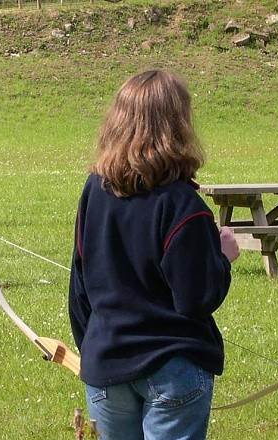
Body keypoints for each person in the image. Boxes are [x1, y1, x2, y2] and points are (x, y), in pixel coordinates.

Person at [67, 70, 240, 440]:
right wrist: (223, 257)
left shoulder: (95, 191)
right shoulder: (183, 205)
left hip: (106, 363)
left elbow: (79, 285)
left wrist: (95, 349)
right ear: (178, 124)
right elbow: (196, 299)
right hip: (171, 367)